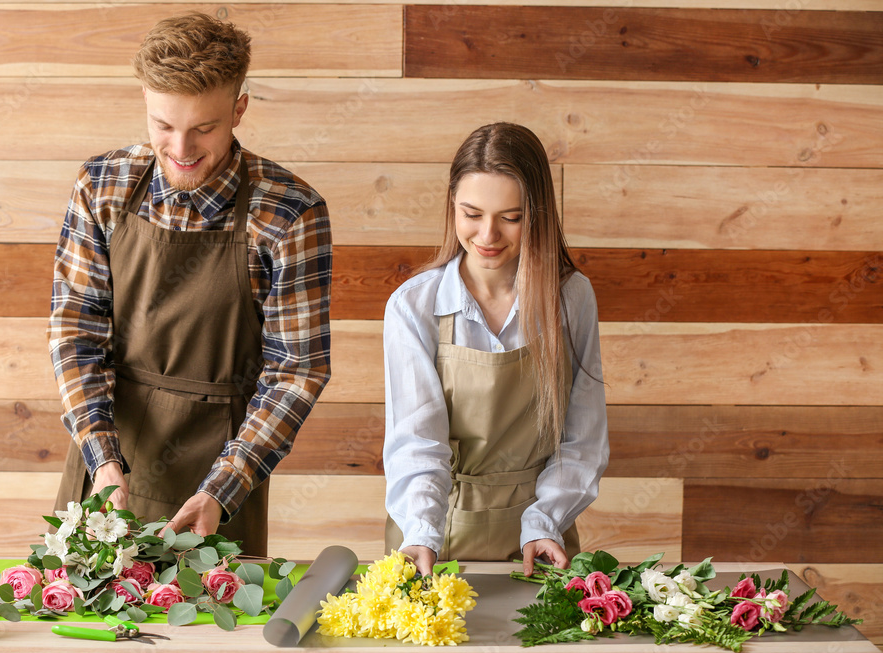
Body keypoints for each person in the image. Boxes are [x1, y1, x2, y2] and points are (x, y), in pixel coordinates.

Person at [48, 12, 332, 555]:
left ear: (239, 109)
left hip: (221, 475)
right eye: (163, 125)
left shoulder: (289, 213)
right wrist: (103, 462)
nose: (181, 147)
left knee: (213, 633)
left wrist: (224, 488)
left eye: (204, 127)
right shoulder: (101, 186)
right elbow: (75, 333)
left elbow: (296, 370)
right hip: (108, 465)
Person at [383, 122, 608, 576]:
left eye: (511, 217)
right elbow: (417, 441)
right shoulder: (414, 305)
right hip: (432, 533)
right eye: (472, 213)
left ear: (538, 214)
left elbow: (582, 436)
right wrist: (422, 532)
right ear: (451, 206)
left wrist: (545, 521)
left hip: (542, 536)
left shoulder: (571, 298)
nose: (488, 235)